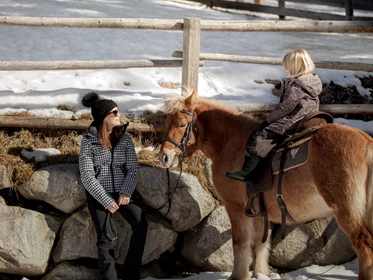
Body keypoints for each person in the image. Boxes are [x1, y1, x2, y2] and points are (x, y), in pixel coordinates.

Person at [79, 92, 148, 280]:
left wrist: (126, 192)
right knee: (105, 238)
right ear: (104, 117)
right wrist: (105, 200)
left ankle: (130, 274)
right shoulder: (88, 141)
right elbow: (87, 175)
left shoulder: (125, 139)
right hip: (99, 193)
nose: (119, 115)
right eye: (115, 112)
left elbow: (133, 169)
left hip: (122, 192)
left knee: (141, 225)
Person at [226, 49, 322, 183]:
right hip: (308, 116)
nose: (285, 69)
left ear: (295, 66)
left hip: (295, 119)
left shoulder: (297, 86)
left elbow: (285, 108)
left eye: (286, 67)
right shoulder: (312, 82)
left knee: (263, 136)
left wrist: (268, 120)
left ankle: (248, 172)